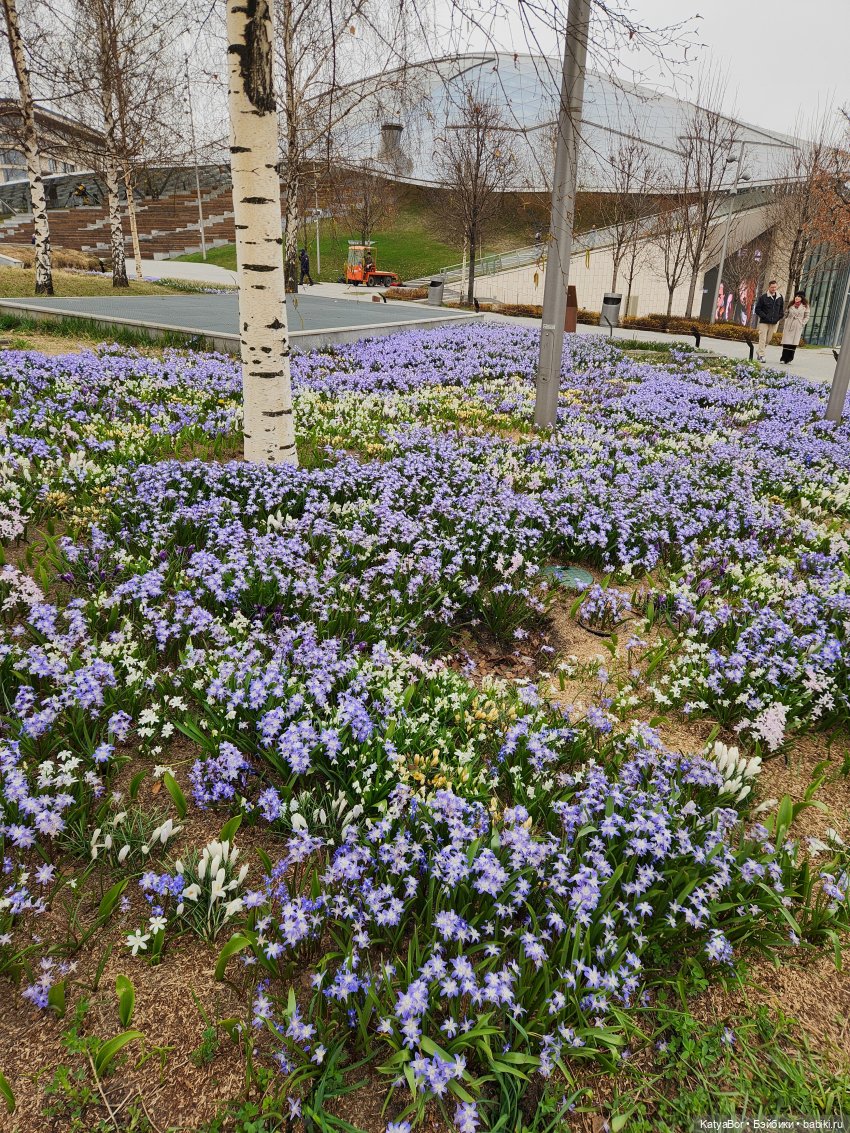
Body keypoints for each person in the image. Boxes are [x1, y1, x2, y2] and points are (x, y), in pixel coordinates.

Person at [754, 280, 784, 361]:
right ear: (769, 287)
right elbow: (757, 309)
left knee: (768, 339)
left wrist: (778, 317)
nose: (774, 289)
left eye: (775, 287)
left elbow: (781, 310)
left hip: (774, 322)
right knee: (762, 338)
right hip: (764, 322)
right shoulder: (763, 297)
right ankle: (761, 355)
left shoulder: (780, 297)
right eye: (772, 287)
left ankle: (759, 351)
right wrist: (764, 316)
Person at [780, 291, 809, 364]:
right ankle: (783, 358)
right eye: (796, 296)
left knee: (793, 343)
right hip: (789, 324)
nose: (797, 297)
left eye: (799, 296)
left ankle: (789, 359)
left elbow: (807, 316)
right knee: (786, 342)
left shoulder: (805, 306)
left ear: (802, 298)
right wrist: (785, 320)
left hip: (797, 325)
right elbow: (786, 313)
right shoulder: (791, 304)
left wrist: (802, 323)